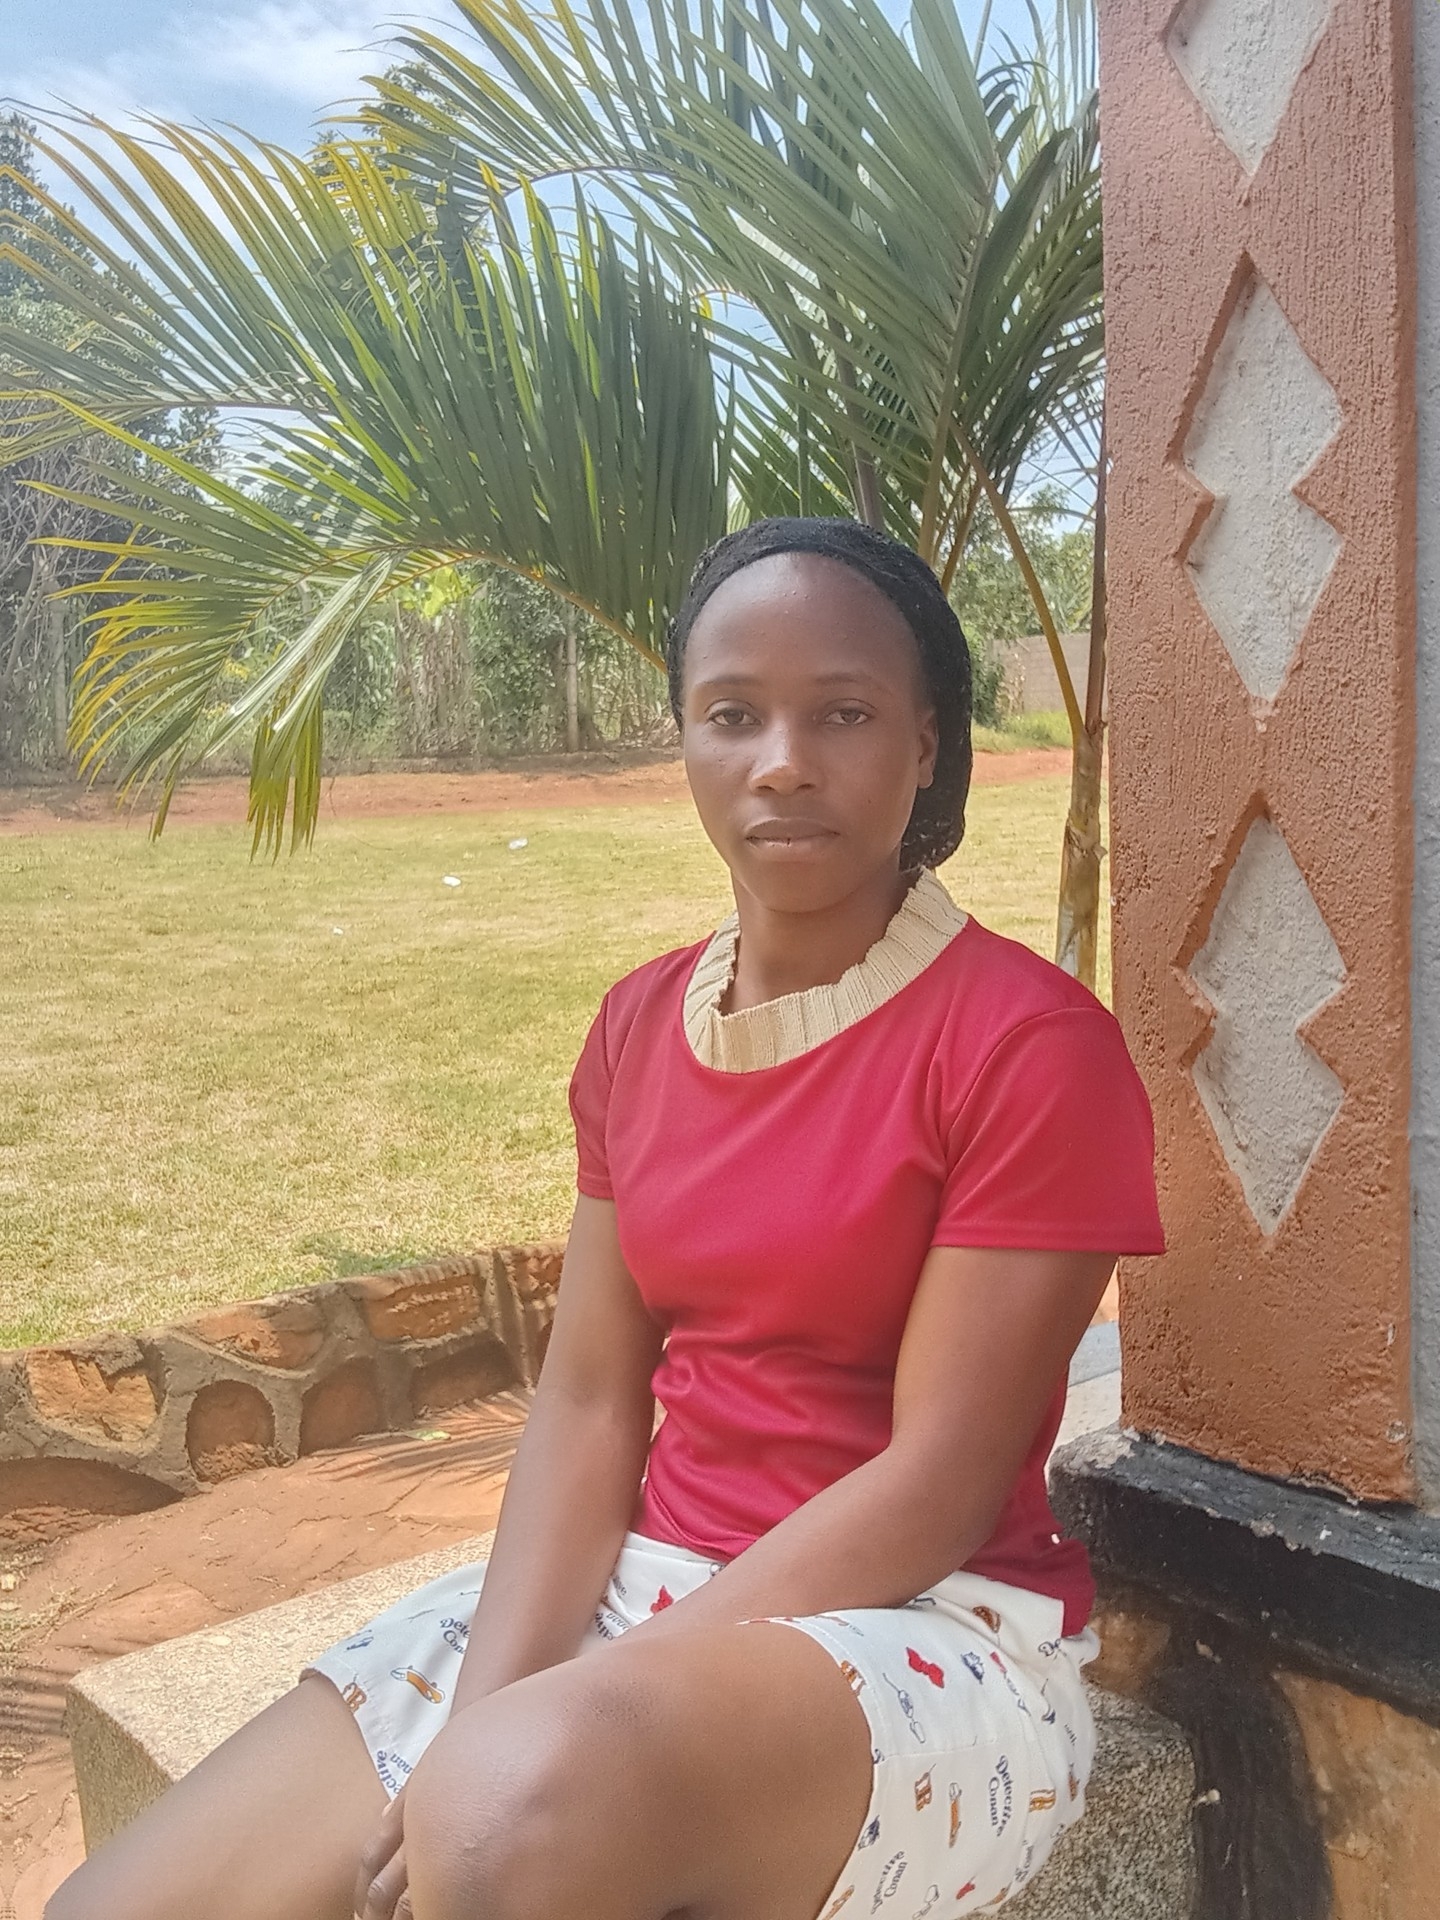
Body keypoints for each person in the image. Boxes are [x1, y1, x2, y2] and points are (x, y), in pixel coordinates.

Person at [46, 518, 1163, 1920]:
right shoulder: (639, 1028)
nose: (783, 761)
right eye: (733, 714)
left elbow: (937, 1481)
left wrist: (557, 1719)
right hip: (645, 1586)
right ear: (685, 738)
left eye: (844, 714)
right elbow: (586, 1401)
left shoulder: (1027, 1047)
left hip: (924, 1627)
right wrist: (488, 1707)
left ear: (927, 745)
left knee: (503, 1819)